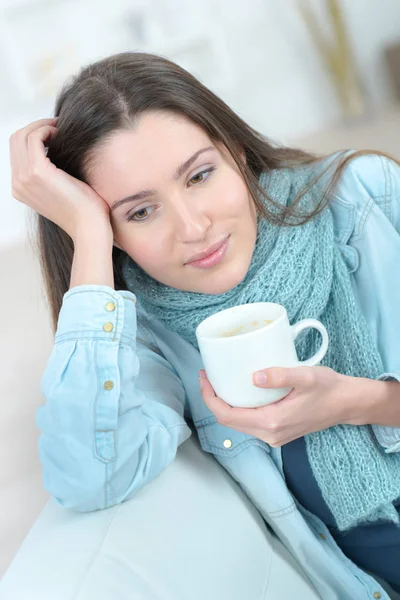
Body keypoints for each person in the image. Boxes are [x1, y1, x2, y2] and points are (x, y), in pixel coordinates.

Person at [9, 51, 400, 599]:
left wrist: (362, 402)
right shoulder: (149, 335)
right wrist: (87, 238)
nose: (194, 228)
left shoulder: (367, 198)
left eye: (199, 175)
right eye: (140, 212)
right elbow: (87, 477)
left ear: (235, 152)